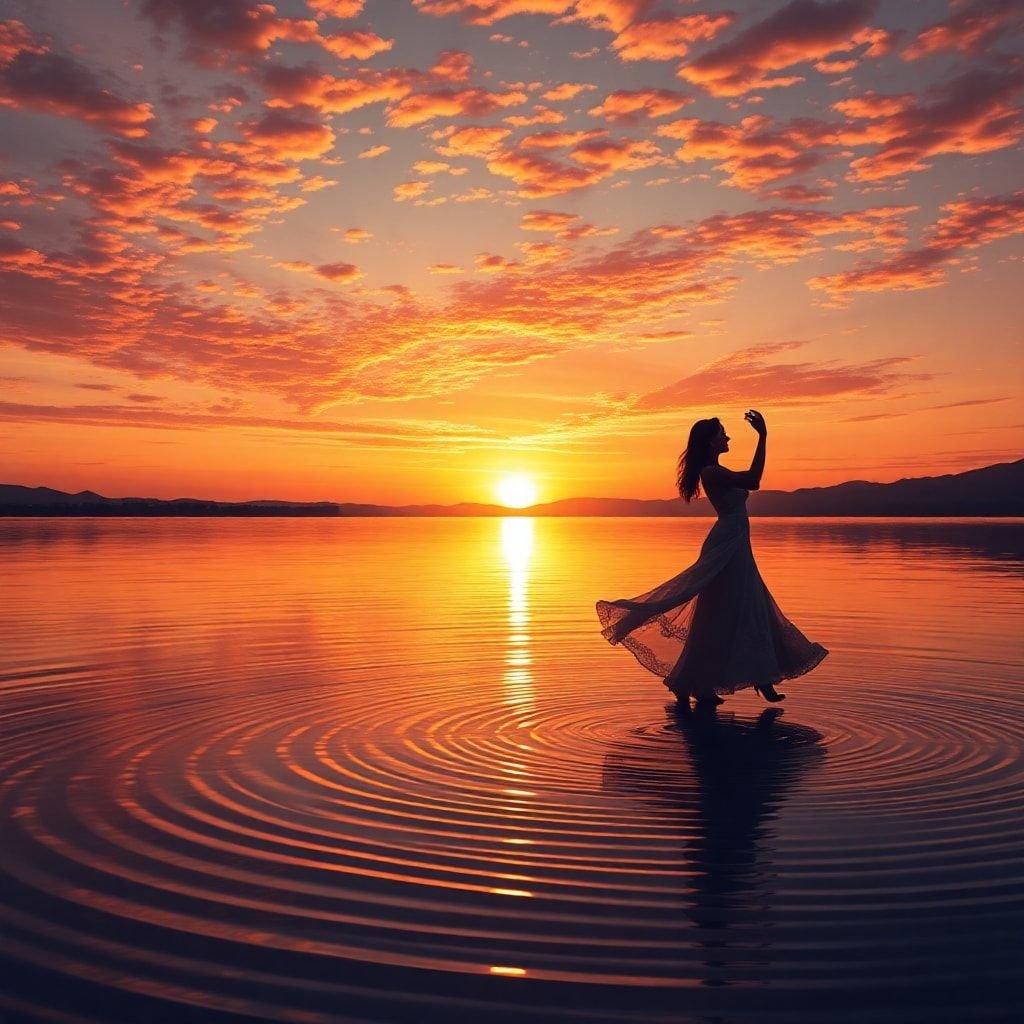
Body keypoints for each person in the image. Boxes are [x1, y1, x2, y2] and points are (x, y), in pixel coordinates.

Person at [596, 409, 828, 709]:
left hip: (736, 541)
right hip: (726, 543)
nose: (727, 437)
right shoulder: (711, 472)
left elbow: (748, 483)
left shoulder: (715, 470)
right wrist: (763, 436)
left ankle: (747, 677)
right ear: (709, 443)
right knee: (725, 611)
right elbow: (754, 480)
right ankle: (710, 681)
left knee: (749, 604)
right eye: (722, 434)